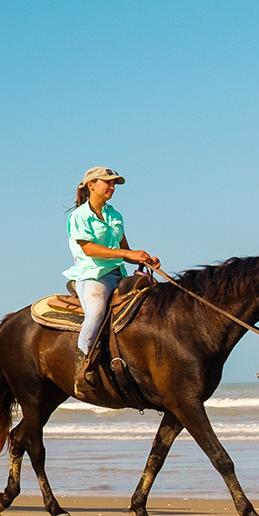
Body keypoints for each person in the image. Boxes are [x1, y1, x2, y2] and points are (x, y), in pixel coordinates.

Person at [66, 167, 159, 395]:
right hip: (92, 276)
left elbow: (124, 248)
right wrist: (128, 254)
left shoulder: (115, 215)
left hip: (118, 275)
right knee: (96, 313)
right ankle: (82, 369)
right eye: (107, 182)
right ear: (91, 185)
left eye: (114, 184)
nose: (112, 187)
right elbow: (88, 248)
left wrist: (144, 258)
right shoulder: (79, 216)